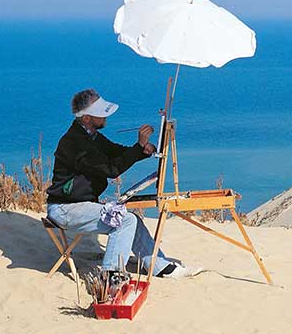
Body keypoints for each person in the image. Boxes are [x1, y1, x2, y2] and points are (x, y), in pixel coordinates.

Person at [46, 89, 200, 279]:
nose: (106, 116)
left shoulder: (91, 135)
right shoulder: (75, 142)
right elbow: (110, 169)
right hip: (66, 209)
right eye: (100, 113)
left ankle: (158, 266)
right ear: (86, 118)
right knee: (125, 220)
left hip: (81, 204)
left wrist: (143, 149)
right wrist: (137, 148)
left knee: (132, 218)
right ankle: (111, 274)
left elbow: (116, 152)